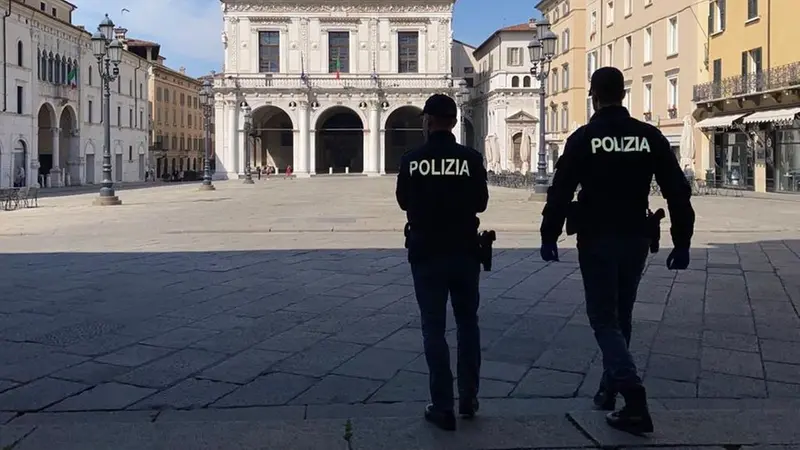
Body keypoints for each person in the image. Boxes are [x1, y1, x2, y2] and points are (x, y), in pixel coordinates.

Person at [539, 67, 695, 435]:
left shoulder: (584, 138)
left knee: (603, 318)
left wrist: (549, 235)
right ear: (623, 94)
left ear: (593, 95)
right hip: (636, 236)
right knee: (622, 313)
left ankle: (632, 394)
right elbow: (677, 191)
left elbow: (560, 192)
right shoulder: (649, 136)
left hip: (596, 237)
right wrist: (682, 240)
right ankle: (609, 389)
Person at [395, 93, 489, 431]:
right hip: (464, 250)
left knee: (433, 328)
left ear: (428, 120)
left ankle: (442, 405)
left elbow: (403, 200)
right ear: (453, 121)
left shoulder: (412, 160)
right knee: (468, 324)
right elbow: (481, 203)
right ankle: (469, 398)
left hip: (426, 251)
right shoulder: (471, 158)